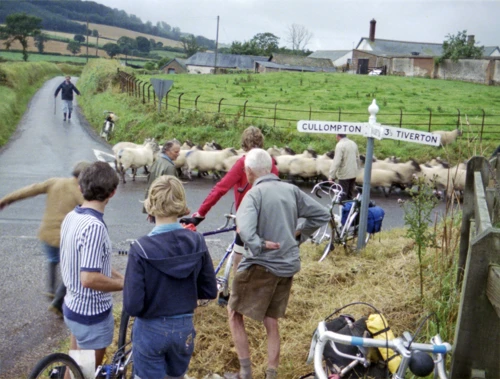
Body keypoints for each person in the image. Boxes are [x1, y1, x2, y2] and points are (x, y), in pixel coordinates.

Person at [227, 148, 329, 379]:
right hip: (288, 265)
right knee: (270, 319)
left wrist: (260, 245)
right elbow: (322, 214)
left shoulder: (254, 195)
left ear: (249, 171)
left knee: (233, 312)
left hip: (263, 264)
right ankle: (271, 374)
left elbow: (245, 232)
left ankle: (245, 373)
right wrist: (299, 235)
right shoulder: (291, 190)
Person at [124, 175, 217, 379]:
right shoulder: (197, 241)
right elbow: (209, 290)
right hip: (184, 329)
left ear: (150, 205)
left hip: (151, 329)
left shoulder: (140, 248)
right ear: (181, 204)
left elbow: (133, 306)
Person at [187, 126, 279, 273]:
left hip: (246, 217)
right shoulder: (272, 163)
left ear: (244, 144)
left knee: (238, 255)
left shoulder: (243, 163)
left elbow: (220, 189)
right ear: (261, 143)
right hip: (267, 218)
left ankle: (232, 289)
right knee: (264, 257)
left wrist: (201, 213)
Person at [0, 161, 90, 311]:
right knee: (75, 268)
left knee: (53, 260)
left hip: (47, 233)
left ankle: (50, 289)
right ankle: (57, 302)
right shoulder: (81, 193)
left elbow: (29, 190)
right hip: (66, 238)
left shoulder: (54, 182)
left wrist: (6, 200)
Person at [60, 161, 123, 368]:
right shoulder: (95, 227)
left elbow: (89, 260)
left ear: (80, 187)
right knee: (87, 373)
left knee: (75, 367)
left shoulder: (72, 216)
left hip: (72, 307)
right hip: (91, 316)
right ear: (112, 193)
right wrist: (126, 284)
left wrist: (116, 275)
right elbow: (89, 278)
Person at [143, 140, 181, 221]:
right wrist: (180, 209)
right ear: (167, 151)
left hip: (155, 205)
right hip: (165, 208)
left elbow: (150, 183)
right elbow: (172, 191)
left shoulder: (157, 161)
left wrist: (149, 207)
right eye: (176, 152)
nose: (178, 154)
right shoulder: (169, 167)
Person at [328, 134, 360, 202]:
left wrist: (331, 176)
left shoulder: (340, 145)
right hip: (353, 173)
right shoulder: (353, 143)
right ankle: (350, 211)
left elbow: (336, 161)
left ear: (337, 136)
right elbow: (357, 158)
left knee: (342, 196)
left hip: (344, 174)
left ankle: (343, 211)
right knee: (350, 195)